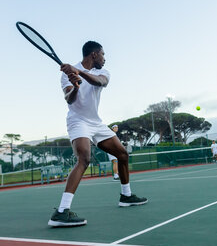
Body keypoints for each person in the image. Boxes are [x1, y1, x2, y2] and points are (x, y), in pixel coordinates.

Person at [48, 41, 147, 227]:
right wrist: (75, 87)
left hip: (97, 122)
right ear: (94, 54)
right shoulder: (67, 74)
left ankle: (126, 196)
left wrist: (80, 74)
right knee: (84, 159)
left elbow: (101, 82)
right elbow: (69, 100)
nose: (104, 58)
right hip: (78, 121)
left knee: (122, 154)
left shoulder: (102, 73)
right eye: (103, 54)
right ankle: (61, 212)